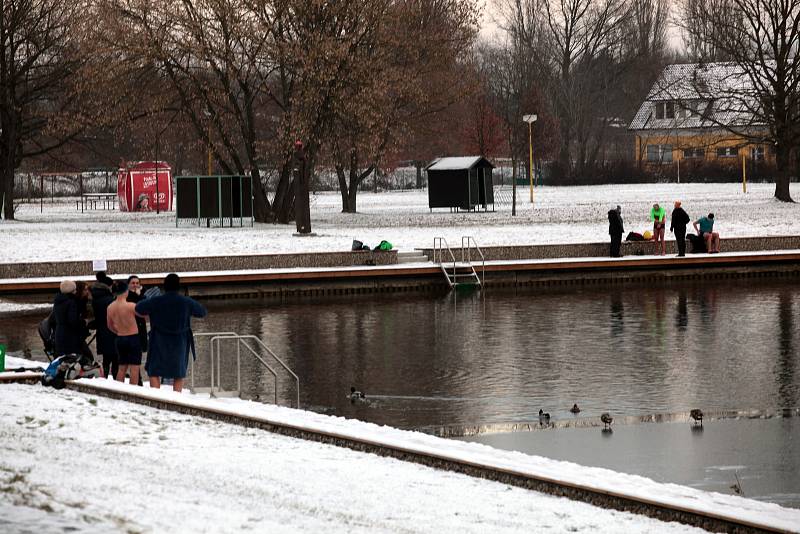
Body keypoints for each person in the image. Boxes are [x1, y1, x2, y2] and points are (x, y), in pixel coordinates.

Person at [135, 273, 207, 392]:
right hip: (180, 341)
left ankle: (156, 396)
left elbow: (138, 309)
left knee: (154, 370)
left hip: (158, 339)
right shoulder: (186, 301)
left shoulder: (156, 301)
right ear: (178, 286)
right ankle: (176, 398)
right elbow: (202, 312)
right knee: (178, 372)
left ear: (165, 286)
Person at [107, 281, 142, 385]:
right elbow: (144, 315)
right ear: (126, 291)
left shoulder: (110, 307)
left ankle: (119, 390)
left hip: (120, 337)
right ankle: (133, 391)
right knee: (134, 368)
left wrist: (118, 331)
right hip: (133, 337)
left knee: (122, 367)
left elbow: (109, 325)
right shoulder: (131, 306)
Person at [91, 273, 118, 378]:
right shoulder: (109, 299)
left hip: (102, 332)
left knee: (106, 359)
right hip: (112, 332)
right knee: (115, 359)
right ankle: (116, 382)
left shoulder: (96, 297)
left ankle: (104, 379)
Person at [52, 281, 86, 357]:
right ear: (72, 291)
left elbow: (54, 317)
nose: (76, 291)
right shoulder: (71, 302)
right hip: (69, 335)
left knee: (63, 358)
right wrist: (82, 323)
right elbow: (72, 320)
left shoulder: (58, 301)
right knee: (73, 357)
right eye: (74, 289)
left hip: (59, 332)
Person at [126, 275, 148, 353]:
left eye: (137, 283)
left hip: (140, 323)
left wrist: (139, 295)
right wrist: (136, 295)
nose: (135, 285)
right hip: (130, 323)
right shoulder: (126, 295)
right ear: (128, 285)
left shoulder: (143, 293)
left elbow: (144, 307)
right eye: (133, 283)